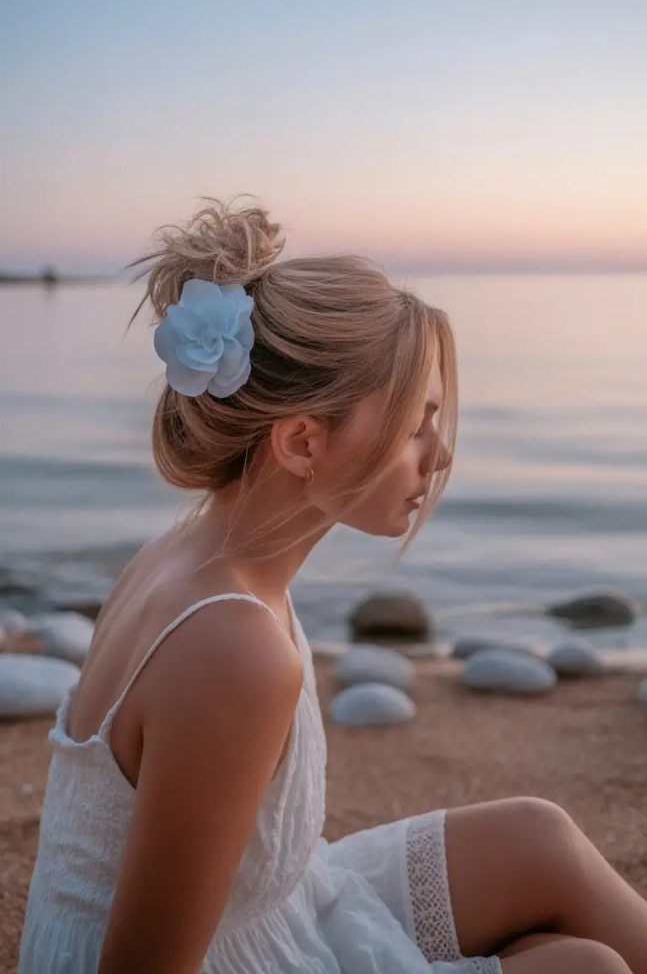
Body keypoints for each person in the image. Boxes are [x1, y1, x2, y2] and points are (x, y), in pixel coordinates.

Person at [18, 197, 645, 974]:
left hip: (270, 910)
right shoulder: (230, 646)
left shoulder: (200, 549)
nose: (438, 457)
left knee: (536, 838)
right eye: (415, 425)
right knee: (583, 966)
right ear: (302, 440)